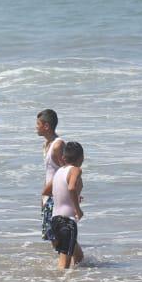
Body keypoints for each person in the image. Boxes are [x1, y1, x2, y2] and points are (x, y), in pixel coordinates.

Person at [44, 141, 85, 269]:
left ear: (63, 157)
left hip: (55, 221)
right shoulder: (76, 170)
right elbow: (72, 188)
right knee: (63, 267)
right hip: (67, 222)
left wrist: (66, 197)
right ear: (82, 158)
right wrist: (78, 210)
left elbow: (46, 191)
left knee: (79, 258)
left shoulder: (59, 172)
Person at [36, 109, 65, 244]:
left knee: (59, 236)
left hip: (58, 196)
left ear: (46, 126)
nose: (36, 127)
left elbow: (65, 170)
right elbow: (49, 172)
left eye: (38, 124)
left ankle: (74, 261)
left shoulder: (58, 145)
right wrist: (43, 197)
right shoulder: (46, 144)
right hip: (49, 196)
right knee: (51, 236)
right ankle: (70, 263)